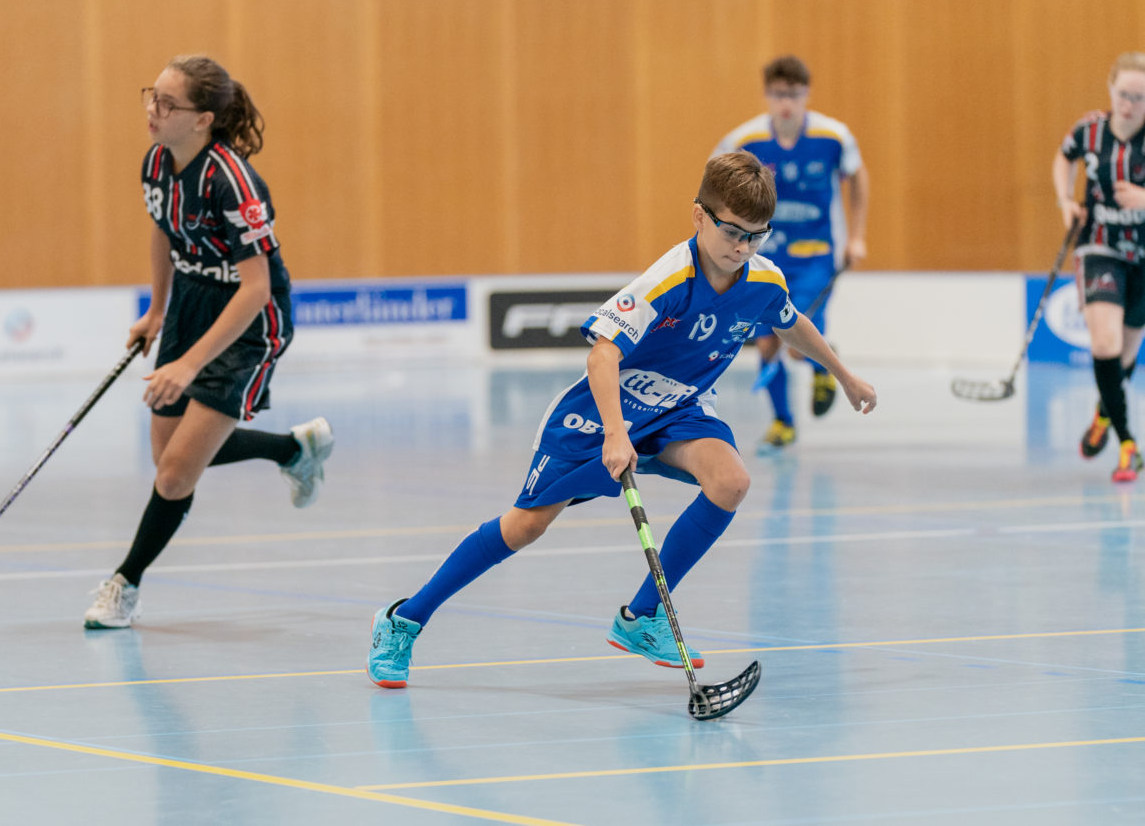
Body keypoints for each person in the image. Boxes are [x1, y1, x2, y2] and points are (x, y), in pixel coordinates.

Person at [366, 151, 877, 688]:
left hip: (679, 410)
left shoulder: (763, 280)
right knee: (526, 526)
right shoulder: (668, 279)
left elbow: (790, 322)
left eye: (756, 236)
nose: (742, 248)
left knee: (731, 481)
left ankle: (641, 617)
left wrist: (845, 376)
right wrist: (615, 433)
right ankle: (403, 620)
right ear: (699, 216)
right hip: (601, 414)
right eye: (732, 232)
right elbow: (602, 355)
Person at [84, 55, 334, 629]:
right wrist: (156, 308)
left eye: (168, 104)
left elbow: (256, 287)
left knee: (174, 475)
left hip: (247, 324)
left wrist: (189, 363)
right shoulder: (157, 161)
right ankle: (292, 450)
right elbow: (163, 229)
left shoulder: (234, 182)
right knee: (168, 457)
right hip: (190, 308)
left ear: (202, 120)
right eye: (153, 96)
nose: (153, 109)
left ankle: (125, 583)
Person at [712, 55, 869, 449]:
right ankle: (783, 421)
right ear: (768, 95)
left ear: (806, 95)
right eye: (779, 95)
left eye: (794, 95)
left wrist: (857, 236)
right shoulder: (745, 141)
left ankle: (819, 365)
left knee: (796, 336)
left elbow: (859, 178)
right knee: (766, 343)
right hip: (763, 257)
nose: (786, 104)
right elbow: (716, 185)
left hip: (817, 257)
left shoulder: (833, 136)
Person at [1054, 51, 1145, 483]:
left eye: (1140, 98)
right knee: (1105, 344)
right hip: (1099, 249)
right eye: (1124, 95)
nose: (1129, 105)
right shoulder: (1089, 130)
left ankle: (1103, 415)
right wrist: (1065, 200)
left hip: (1143, 258)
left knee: (1125, 356)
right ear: (1111, 90)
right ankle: (1129, 443)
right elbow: (1063, 157)